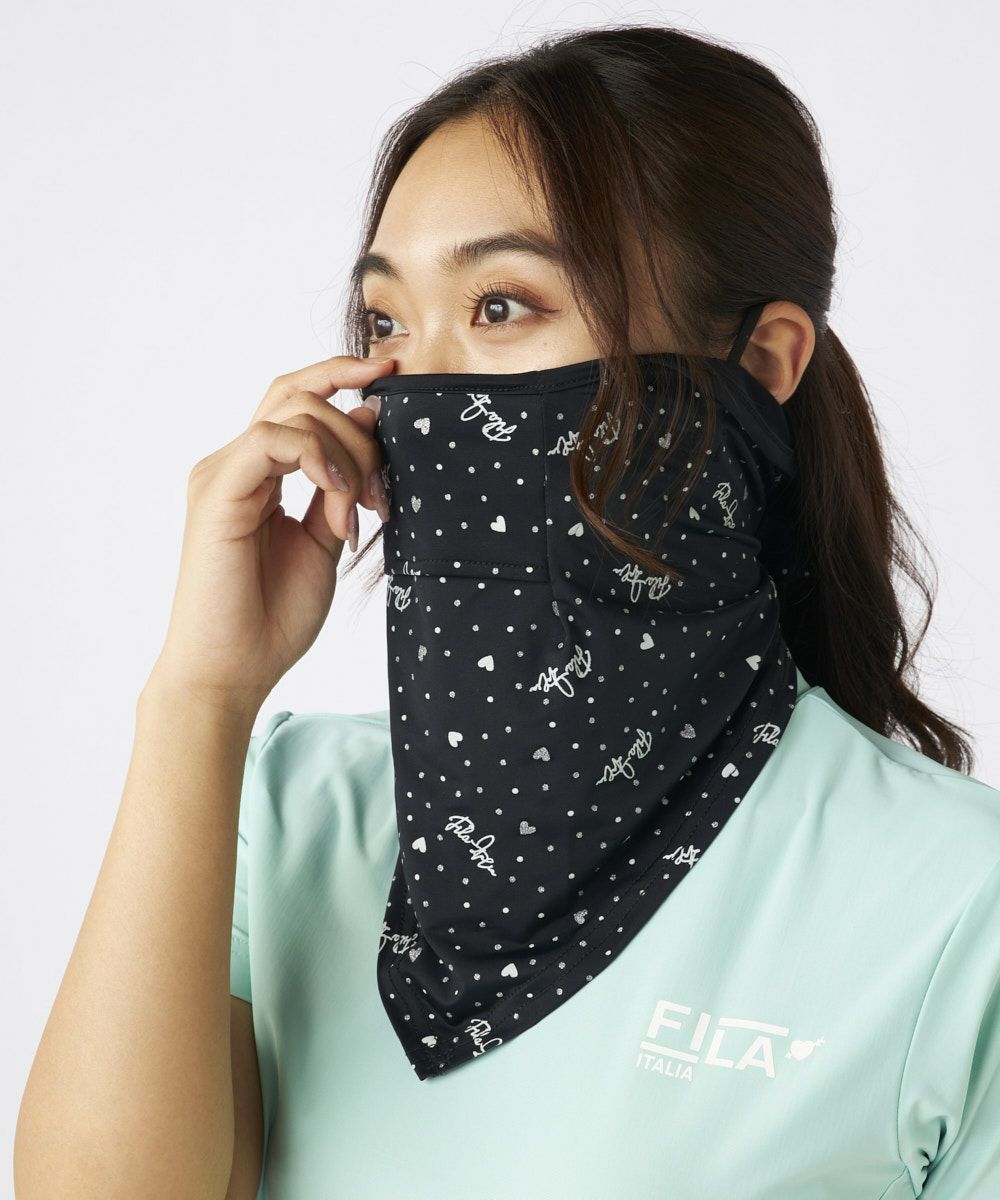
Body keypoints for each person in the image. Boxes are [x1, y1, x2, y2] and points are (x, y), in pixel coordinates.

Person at [15, 22, 1000, 1200]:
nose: (417, 387)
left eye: (500, 306)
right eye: (386, 324)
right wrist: (199, 697)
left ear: (763, 360)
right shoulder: (285, 811)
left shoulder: (959, 905)